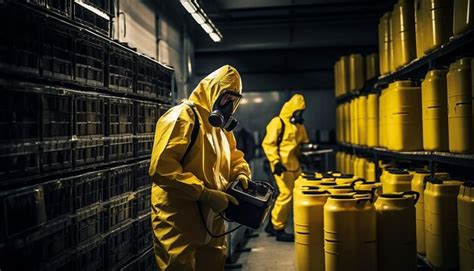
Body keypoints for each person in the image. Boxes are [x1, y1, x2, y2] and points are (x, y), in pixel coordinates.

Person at [149, 65, 251, 271]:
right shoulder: (182, 117)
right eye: (226, 98)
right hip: (179, 220)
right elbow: (161, 168)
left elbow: (234, 157)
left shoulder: (221, 129)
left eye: (234, 101)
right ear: (212, 91)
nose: (229, 106)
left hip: (212, 220)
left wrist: (241, 173)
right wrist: (204, 193)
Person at [261, 94, 309, 242]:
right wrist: (275, 162)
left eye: (301, 113)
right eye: (298, 112)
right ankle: (278, 228)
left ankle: (272, 224)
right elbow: (268, 144)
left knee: (300, 193)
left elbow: (302, 144)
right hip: (281, 166)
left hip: (295, 166)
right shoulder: (278, 122)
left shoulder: (299, 127)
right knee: (286, 194)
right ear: (291, 111)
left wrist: (304, 154)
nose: (300, 115)